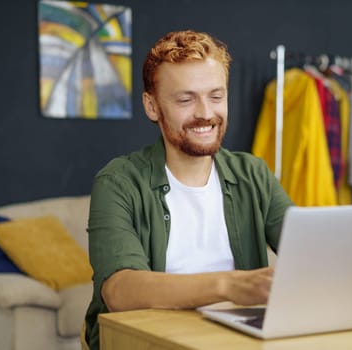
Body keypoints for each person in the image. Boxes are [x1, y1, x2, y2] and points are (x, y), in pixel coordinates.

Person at [83, 29, 294, 349]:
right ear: (152, 106)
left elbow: (307, 253)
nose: (206, 113)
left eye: (216, 96)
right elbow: (119, 291)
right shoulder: (118, 182)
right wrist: (229, 285)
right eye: (186, 99)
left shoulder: (253, 174)